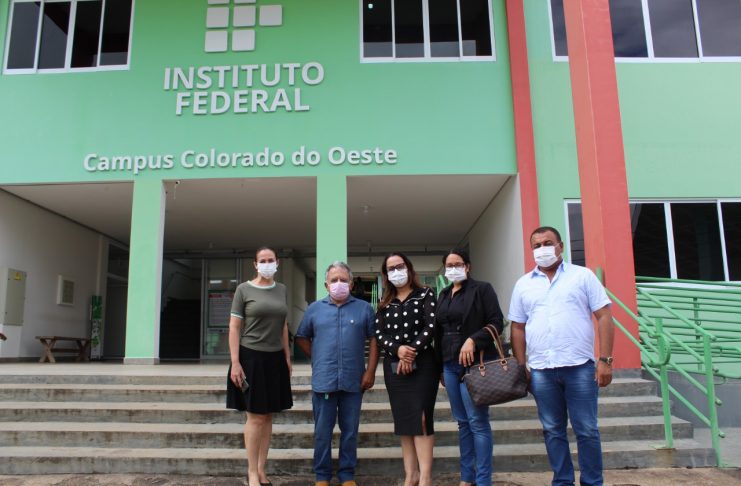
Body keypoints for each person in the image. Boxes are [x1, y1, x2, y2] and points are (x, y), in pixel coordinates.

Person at [509, 226, 614, 486]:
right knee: (552, 430)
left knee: (586, 430)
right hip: (541, 371)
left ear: (561, 246)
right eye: (536, 246)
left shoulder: (582, 276)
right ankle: (563, 481)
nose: (542, 249)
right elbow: (517, 327)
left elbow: (604, 316)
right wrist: (521, 366)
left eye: (548, 243)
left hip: (580, 368)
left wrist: (605, 360)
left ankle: (592, 482)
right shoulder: (523, 284)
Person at [295, 261, 379, 486]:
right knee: (322, 432)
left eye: (343, 279)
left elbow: (374, 339)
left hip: (354, 381)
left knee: (350, 431)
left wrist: (370, 371)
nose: (339, 283)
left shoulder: (364, 309)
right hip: (324, 380)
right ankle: (322, 476)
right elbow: (301, 337)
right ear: (326, 284)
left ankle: (347, 475)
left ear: (351, 284)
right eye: (334, 280)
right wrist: (318, 357)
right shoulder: (314, 309)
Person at [434, 248, 504, 486]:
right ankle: (467, 477)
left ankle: (483, 480)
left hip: (474, 366)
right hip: (449, 365)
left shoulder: (482, 289)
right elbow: (439, 332)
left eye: (458, 264)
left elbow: (496, 322)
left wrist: (473, 340)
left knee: (477, 422)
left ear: (468, 266)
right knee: (462, 422)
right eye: (449, 265)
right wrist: (440, 367)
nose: (453, 268)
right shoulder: (443, 294)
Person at [226, 246, 293, 486]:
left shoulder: (282, 289)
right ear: (255, 265)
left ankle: (262, 470)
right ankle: (252, 472)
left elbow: (283, 325)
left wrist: (287, 357)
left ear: (277, 263)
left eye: (270, 260)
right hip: (250, 358)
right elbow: (234, 327)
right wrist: (235, 362)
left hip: (275, 359)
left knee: (268, 416)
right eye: (262, 260)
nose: (267, 264)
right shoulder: (243, 290)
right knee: (255, 417)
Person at [375, 252, 439, 486]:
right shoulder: (384, 302)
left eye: (399, 266)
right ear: (386, 274)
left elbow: (431, 326)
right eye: (391, 269)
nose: (396, 272)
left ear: (409, 268)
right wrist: (398, 350)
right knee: (404, 421)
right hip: (394, 368)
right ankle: (410, 475)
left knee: (421, 419)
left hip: (424, 366)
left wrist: (410, 350)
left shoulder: (426, 294)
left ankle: (425, 478)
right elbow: (379, 333)